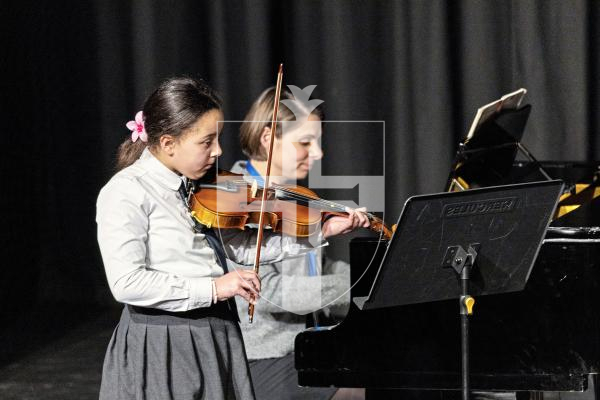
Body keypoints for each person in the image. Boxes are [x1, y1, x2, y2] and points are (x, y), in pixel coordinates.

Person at [95, 77, 368, 400]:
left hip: (215, 330)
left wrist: (318, 231)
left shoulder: (199, 188)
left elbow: (241, 246)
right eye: (206, 142)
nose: (219, 151)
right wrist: (214, 288)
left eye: (219, 138)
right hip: (165, 339)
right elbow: (126, 282)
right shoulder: (127, 191)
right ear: (168, 143)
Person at [231, 86, 368, 400]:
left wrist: (372, 272)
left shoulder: (292, 196)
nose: (318, 154)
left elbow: (313, 267)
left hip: (310, 343)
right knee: (365, 390)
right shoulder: (237, 199)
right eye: (305, 142)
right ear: (268, 138)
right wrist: (356, 286)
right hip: (261, 355)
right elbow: (268, 291)